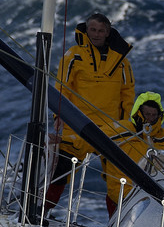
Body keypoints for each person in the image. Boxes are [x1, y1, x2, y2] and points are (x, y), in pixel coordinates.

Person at [43, 12, 135, 214]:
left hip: (110, 128)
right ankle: (40, 213)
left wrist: (124, 123)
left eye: (101, 30)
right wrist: (59, 116)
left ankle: (116, 225)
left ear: (108, 33)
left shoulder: (122, 62)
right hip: (78, 124)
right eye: (93, 29)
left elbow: (127, 93)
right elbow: (62, 87)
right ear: (86, 30)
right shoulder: (73, 56)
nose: (96, 34)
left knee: (118, 179)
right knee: (60, 170)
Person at [105, 91, 164, 213]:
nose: (150, 118)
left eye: (154, 115)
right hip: (122, 197)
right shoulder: (121, 130)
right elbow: (89, 137)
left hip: (154, 199)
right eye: (147, 114)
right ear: (139, 113)